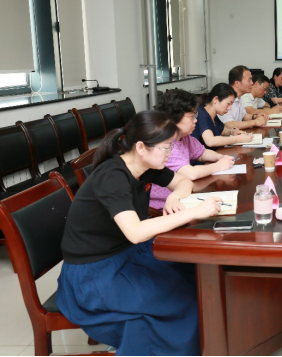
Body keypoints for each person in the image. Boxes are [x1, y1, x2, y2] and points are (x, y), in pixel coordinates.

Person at [56, 111, 222, 356]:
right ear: (141, 147)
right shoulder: (113, 176)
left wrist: (174, 197)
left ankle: (213, 343)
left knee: (196, 277)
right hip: (95, 274)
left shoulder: (145, 166)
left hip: (127, 255)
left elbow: (183, 181)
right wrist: (195, 211)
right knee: (181, 303)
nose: (170, 153)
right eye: (166, 147)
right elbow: (135, 232)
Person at [150, 89, 237, 211]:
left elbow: (202, 152)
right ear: (174, 118)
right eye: (191, 116)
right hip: (164, 208)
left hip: (183, 198)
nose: (195, 120)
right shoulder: (165, 145)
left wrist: (220, 157)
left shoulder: (184, 137)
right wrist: (219, 165)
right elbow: (191, 174)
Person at [191, 83, 254, 149]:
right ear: (216, 99)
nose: (229, 108)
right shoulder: (201, 114)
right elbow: (210, 141)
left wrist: (233, 132)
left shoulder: (214, 115)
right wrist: (237, 139)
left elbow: (224, 130)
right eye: (228, 104)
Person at [219, 65, 268, 129]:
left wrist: (255, 116)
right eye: (249, 80)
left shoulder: (239, 97)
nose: (252, 83)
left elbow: (244, 116)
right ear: (237, 83)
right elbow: (229, 125)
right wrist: (255, 122)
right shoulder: (224, 97)